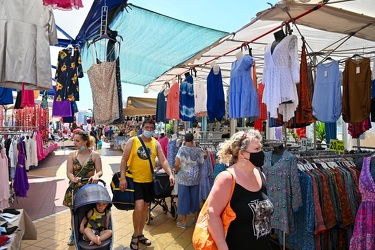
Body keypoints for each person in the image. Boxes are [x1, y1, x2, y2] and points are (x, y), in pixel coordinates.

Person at [205, 129, 274, 249]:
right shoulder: (227, 178)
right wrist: (222, 246)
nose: (262, 153)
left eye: (261, 148)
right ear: (242, 153)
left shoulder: (261, 175)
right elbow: (212, 214)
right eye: (257, 149)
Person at [119, 118, 175, 250]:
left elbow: (163, 160)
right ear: (142, 128)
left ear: (154, 129)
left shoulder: (155, 143)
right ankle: (134, 235)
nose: (149, 130)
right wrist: (122, 178)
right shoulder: (133, 141)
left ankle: (140, 234)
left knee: (145, 208)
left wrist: (170, 173)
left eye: (151, 128)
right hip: (135, 180)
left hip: (149, 181)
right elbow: (123, 160)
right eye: (147, 128)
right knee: (138, 207)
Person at [63, 130, 103, 246]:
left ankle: (89, 232)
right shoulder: (72, 155)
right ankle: (74, 233)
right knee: (74, 213)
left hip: (90, 189)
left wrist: (96, 175)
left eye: (77, 141)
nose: (74, 143)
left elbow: (100, 171)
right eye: (74, 140)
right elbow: (69, 172)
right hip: (75, 188)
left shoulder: (94, 155)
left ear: (85, 142)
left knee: (90, 212)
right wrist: (73, 178)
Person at [174, 133, 206, 229]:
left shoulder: (182, 149)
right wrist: (206, 155)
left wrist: (175, 170)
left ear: (185, 140)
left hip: (183, 178)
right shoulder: (198, 150)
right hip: (195, 177)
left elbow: (176, 163)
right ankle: (196, 218)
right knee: (195, 197)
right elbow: (201, 160)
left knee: (183, 198)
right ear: (193, 140)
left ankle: (184, 222)